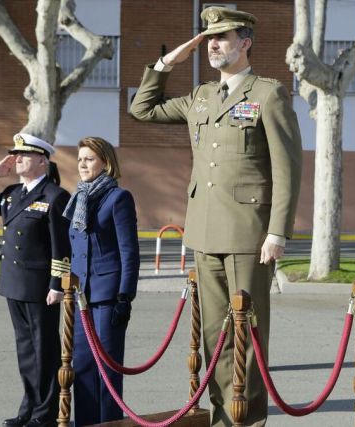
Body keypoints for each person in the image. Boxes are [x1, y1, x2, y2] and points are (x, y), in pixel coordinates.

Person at [130, 6, 302, 426]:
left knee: (248, 333)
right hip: (204, 231)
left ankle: (249, 419)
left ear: (245, 43)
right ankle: (223, 415)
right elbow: (142, 109)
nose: (213, 45)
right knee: (214, 334)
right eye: (209, 38)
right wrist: (167, 63)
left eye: (222, 38)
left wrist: (277, 231)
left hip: (249, 234)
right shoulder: (202, 96)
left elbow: (287, 168)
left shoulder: (268, 94)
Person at [0, 133, 71, 427]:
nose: (17, 159)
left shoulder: (54, 195)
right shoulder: (13, 192)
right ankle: (28, 409)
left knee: (45, 352)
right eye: (15, 154)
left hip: (41, 288)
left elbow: (61, 245)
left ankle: (45, 415)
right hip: (15, 284)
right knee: (26, 351)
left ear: (42, 160)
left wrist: (56, 284)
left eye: (24, 154)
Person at [63, 137, 139, 427]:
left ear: (105, 163)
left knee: (106, 369)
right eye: (80, 159)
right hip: (82, 298)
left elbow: (129, 252)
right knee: (82, 367)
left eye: (89, 159)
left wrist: (124, 297)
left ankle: (109, 422)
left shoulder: (118, 198)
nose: (82, 164)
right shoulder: (79, 197)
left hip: (108, 298)